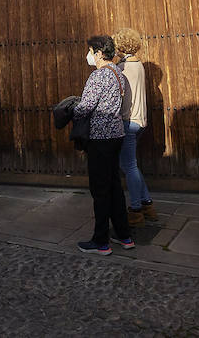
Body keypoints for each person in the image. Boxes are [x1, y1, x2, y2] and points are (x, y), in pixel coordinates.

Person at [73, 35, 134, 256]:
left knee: (100, 190)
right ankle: (124, 235)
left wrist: (72, 108)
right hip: (116, 133)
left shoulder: (98, 76)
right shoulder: (119, 73)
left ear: (98, 53)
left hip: (100, 138)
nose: (88, 56)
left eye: (90, 51)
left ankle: (101, 241)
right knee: (115, 187)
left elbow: (86, 106)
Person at [114, 28, 157, 226]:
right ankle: (147, 204)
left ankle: (136, 210)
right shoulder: (138, 65)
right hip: (140, 121)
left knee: (129, 166)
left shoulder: (122, 68)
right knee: (130, 165)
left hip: (128, 121)